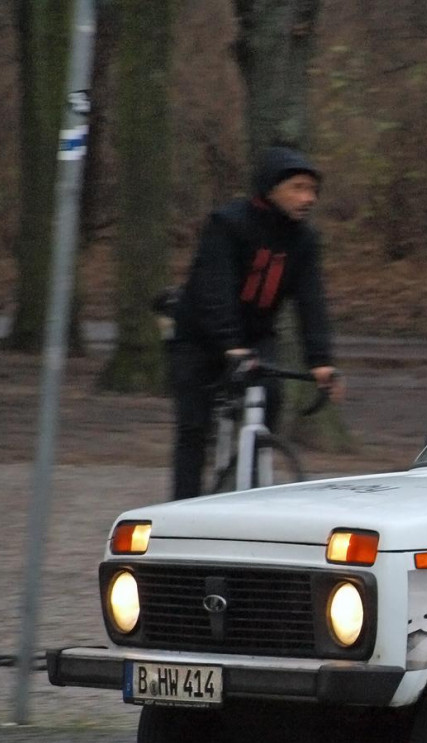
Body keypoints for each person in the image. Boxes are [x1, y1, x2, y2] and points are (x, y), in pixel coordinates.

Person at [168, 146, 343, 500]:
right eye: (297, 188)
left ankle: (245, 489)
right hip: (200, 335)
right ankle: (181, 510)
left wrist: (321, 361)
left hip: (256, 335)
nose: (307, 198)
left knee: (269, 397)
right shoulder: (228, 223)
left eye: (312, 190)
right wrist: (229, 345)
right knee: (193, 427)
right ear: (270, 189)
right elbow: (215, 289)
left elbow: (311, 300)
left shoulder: (304, 240)